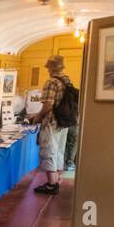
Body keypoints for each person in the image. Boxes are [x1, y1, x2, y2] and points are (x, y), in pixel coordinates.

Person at [30, 55, 73, 195]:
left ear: (50, 67)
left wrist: (37, 117)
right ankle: (56, 180)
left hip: (51, 122)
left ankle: (51, 184)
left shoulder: (51, 82)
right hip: (63, 122)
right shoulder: (66, 80)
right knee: (59, 150)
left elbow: (48, 105)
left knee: (48, 151)